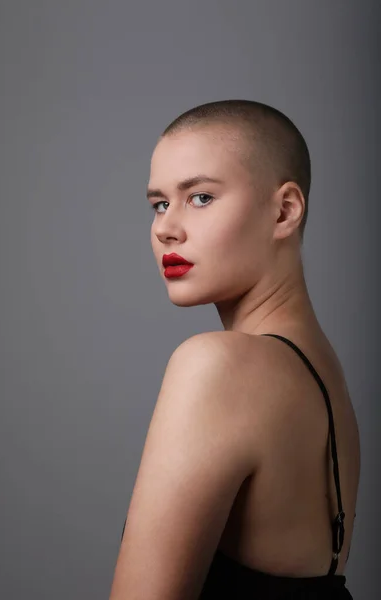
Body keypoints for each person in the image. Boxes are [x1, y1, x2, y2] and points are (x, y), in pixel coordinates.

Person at [109, 100, 360, 599]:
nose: (165, 228)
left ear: (284, 210)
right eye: (159, 203)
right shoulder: (321, 372)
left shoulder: (218, 366)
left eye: (200, 197)